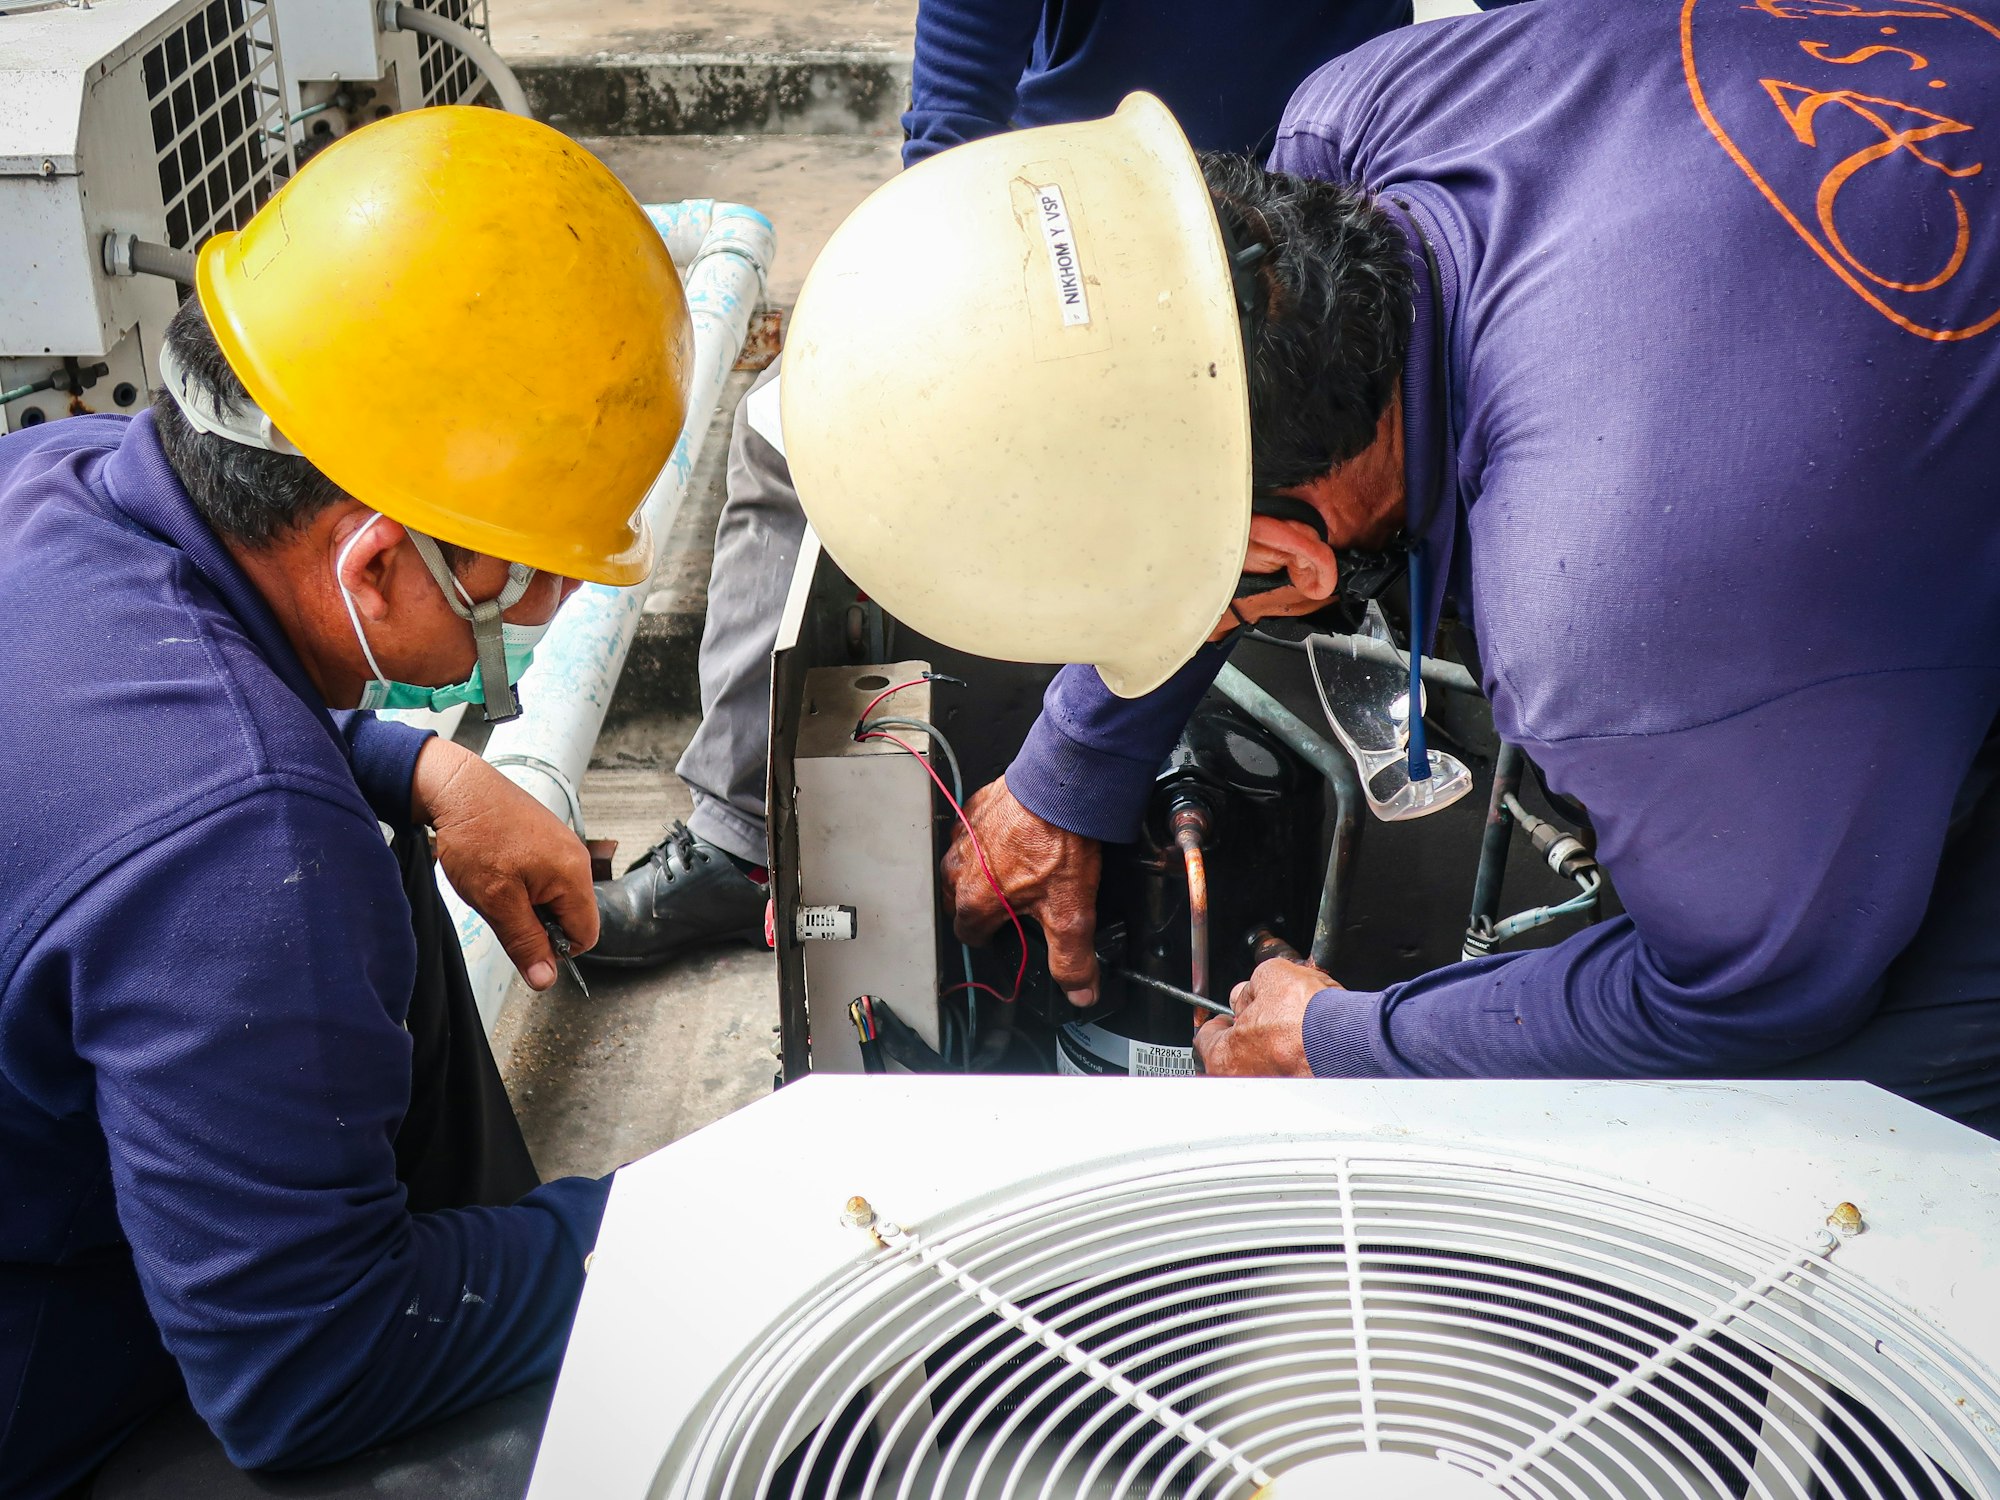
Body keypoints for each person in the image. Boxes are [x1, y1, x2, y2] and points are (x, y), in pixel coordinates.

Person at [776, 0, 2000, 1134]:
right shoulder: (1368, 108)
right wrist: (1070, 767)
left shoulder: (1606, 623)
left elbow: (1744, 997)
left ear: (1287, 567)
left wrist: (1349, 1039)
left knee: (1832, 1111)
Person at [0, 107, 695, 1495]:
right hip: (37, 1391)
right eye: (525, 574)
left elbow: (148, 776)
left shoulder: (55, 477)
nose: (544, 608)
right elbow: (309, 1371)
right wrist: (690, 1232)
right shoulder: (250, 846)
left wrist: (421, 761)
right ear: (377, 563)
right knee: (601, 1417)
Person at [590, 0, 1527, 966]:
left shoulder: (1361, 125)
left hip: (1295, 230)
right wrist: (945, 283)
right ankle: (742, 838)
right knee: (789, 425)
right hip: (1085, 217)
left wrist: (1074, 766)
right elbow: (968, 38)